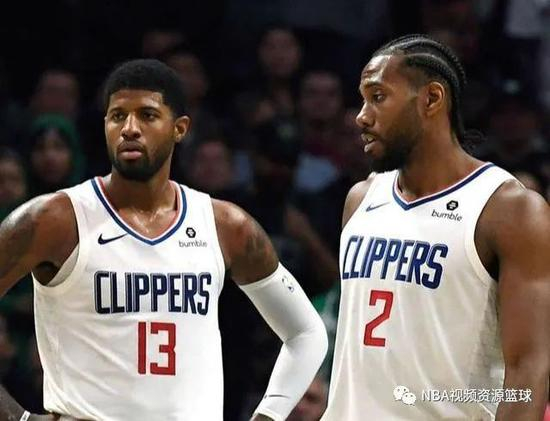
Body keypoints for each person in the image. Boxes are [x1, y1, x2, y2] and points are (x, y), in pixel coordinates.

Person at [0, 59, 328, 421]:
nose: (129, 128)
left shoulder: (225, 226)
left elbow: (306, 332)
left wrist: (269, 415)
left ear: (180, 128)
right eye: (117, 116)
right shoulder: (54, 220)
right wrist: (19, 418)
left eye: (147, 115)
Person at [321, 34, 550, 420]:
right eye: (363, 99)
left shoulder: (509, 210)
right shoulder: (360, 199)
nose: (361, 116)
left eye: (378, 97)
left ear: (431, 99)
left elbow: (529, 368)